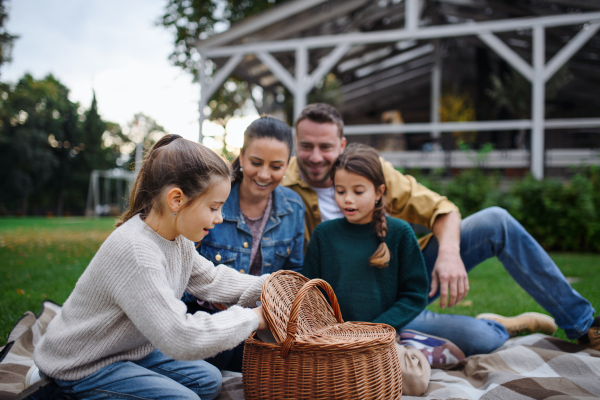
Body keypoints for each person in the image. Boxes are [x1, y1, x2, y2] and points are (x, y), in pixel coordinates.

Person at [283, 103, 599, 356]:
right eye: (306, 146)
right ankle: (492, 326)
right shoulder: (280, 178)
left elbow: (442, 209)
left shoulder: (371, 170)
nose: (314, 157)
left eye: (325, 147)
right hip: (351, 300)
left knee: (495, 221)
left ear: (342, 144)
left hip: (402, 277)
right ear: (296, 143)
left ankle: (584, 325)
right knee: (480, 339)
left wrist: (448, 254)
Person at [33, 134, 269, 400]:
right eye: (214, 207)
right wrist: (253, 317)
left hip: (127, 350)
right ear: (176, 200)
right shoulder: (136, 251)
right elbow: (180, 337)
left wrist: (269, 285)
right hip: (83, 364)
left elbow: (212, 280)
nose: (220, 217)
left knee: (208, 381)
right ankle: (55, 392)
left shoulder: (176, 240)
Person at [300, 143, 432, 396]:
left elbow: (415, 295)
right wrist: (331, 333)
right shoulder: (324, 235)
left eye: (358, 191)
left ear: (379, 191)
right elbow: (310, 294)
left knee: (413, 382)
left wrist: (376, 329)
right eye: (340, 191)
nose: (347, 199)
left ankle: (418, 347)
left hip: (380, 338)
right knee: (324, 381)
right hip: (333, 339)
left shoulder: (400, 233)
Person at [185, 116, 305, 372]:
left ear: (288, 165)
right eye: (256, 162)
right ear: (241, 155)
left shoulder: (293, 207)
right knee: (229, 358)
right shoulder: (212, 200)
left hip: (265, 320)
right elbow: (182, 272)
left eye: (276, 166)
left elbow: (294, 275)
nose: (263, 174)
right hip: (208, 319)